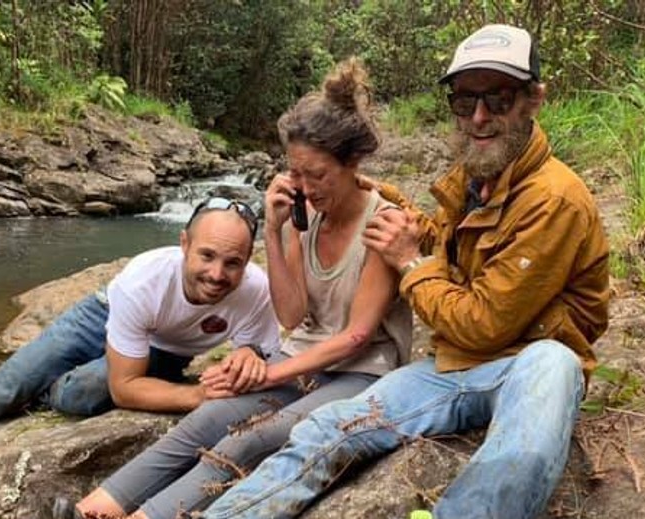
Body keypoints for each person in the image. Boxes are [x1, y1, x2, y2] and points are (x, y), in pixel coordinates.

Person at [203, 24, 610, 519]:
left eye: (498, 100)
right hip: (452, 367)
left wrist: (409, 263)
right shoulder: (479, 174)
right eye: (464, 102)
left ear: (533, 100)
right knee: (330, 427)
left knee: (541, 395)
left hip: (527, 364)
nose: (479, 117)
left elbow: (484, 325)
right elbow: (447, 238)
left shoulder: (554, 199)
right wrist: (389, 201)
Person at [72, 58, 413, 519]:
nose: (306, 188)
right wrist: (273, 231)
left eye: (318, 175)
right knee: (208, 417)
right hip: (302, 358)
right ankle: (94, 509)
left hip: (364, 369)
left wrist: (268, 373)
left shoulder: (382, 224)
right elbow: (291, 317)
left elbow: (354, 336)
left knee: (252, 437)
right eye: (297, 174)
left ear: (352, 163)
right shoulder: (302, 214)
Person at [0, 198, 283, 435]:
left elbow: (260, 348)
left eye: (233, 263)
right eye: (207, 256)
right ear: (184, 244)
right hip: (102, 314)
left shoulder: (255, 289)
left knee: (82, 395)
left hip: (166, 349)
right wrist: (195, 395)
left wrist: (250, 352)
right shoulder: (143, 280)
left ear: (248, 260)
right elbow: (128, 389)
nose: (217, 274)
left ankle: (40, 387)